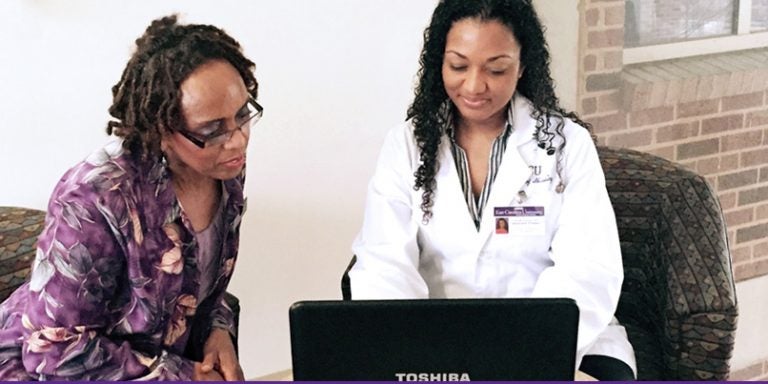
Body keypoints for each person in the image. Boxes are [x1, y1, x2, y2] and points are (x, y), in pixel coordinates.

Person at [348, 0, 636, 380]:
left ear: (523, 66)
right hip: (436, 337)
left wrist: (526, 353)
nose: (473, 86)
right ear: (440, 62)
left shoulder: (567, 144)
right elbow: (384, 264)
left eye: (496, 69)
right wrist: (418, 351)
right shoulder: (407, 144)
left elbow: (589, 268)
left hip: (555, 336)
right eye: (458, 66)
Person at [0, 15, 260, 381]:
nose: (237, 139)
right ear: (162, 131)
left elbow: (203, 286)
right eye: (212, 129)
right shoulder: (95, 197)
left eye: (243, 114)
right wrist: (183, 376)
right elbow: (54, 352)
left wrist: (218, 330)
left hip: (159, 357)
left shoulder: (223, 167)